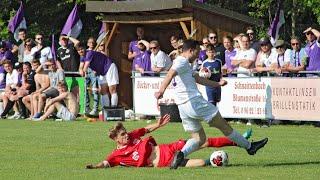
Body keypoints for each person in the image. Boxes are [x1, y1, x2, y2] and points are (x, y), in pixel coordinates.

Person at [154, 39, 268, 169]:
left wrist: (217, 84)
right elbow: (169, 75)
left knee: (199, 139)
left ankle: (180, 155)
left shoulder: (183, 64)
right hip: (194, 102)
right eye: (197, 51)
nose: (198, 55)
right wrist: (161, 91)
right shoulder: (181, 61)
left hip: (183, 107)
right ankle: (249, 147)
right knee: (224, 126)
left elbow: (198, 79)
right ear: (190, 50)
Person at [85, 114, 253, 169]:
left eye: (125, 133)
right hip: (163, 160)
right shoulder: (117, 154)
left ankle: (238, 141)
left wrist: (158, 124)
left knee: (202, 141)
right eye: (122, 135)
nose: (126, 136)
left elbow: (146, 129)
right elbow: (106, 162)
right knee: (201, 163)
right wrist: (94, 167)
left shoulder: (132, 135)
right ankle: (214, 161)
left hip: (166, 147)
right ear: (115, 139)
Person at [84, 37, 99, 115]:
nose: (91, 44)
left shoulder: (97, 52)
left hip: (94, 72)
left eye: (93, 42)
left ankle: (95, 109)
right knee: (85, 90)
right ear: (87, 43)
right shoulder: (85, 52)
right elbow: (83, 61)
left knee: (94, 90)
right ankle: (86, 107)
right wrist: (84, 71)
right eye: (90, 42)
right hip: (87, 71)